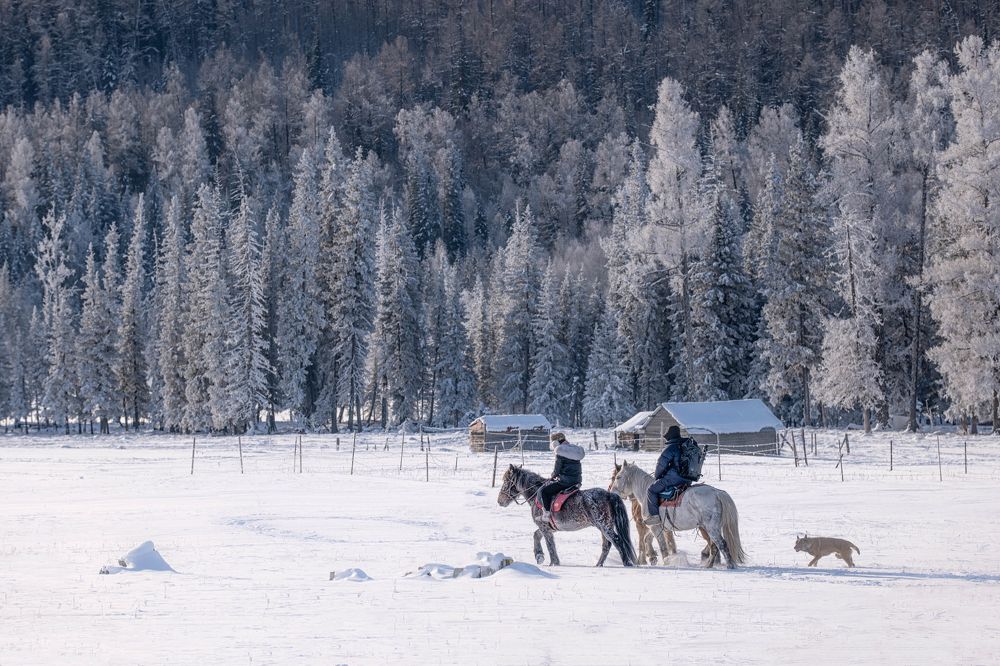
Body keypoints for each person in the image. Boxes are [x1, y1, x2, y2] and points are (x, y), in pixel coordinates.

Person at [644, 425, 694, 526]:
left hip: (675, 478)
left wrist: (657, 478)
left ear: (670, 436)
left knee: (651, 489)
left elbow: (661, 465)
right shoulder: (687, 445)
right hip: (689, 478)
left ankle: (655, 516)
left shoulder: (671, 447)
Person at [538, 432, 585, 523]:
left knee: (543, 491)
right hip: (577, 481)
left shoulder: (560, 451)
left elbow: (557, 470)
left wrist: (552, 477)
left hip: (565, 482)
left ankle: (547, 514)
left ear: (556, 443)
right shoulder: (574, 450)